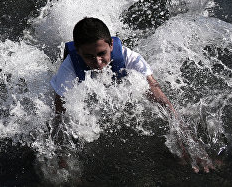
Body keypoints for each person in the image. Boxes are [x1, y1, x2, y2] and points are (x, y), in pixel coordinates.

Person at [51, 17, 215, 173]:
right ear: (79, 53)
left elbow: (161, 99)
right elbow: (59, 117)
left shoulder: (132, 59)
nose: (98, 62)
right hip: (77, 79)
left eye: (102, 54)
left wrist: (188, 141)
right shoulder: (68, 70)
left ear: (111, 45)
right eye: (89, 56)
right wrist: (62, 160)